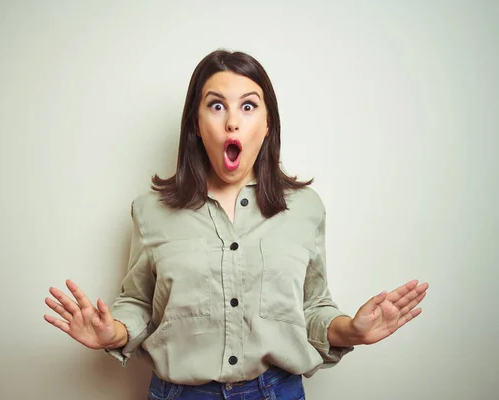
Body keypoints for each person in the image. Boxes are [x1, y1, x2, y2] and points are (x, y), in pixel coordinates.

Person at [43, 49, 429, 400]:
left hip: (277, 391)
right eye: (216, 106)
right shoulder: (150, 211)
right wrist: (116, 333)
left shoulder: (306, 208)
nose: (232, 122)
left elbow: (312, 306)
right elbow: (139, 302)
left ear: (267, 124)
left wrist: (351, 331)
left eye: (248, 107)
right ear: (195, 123)